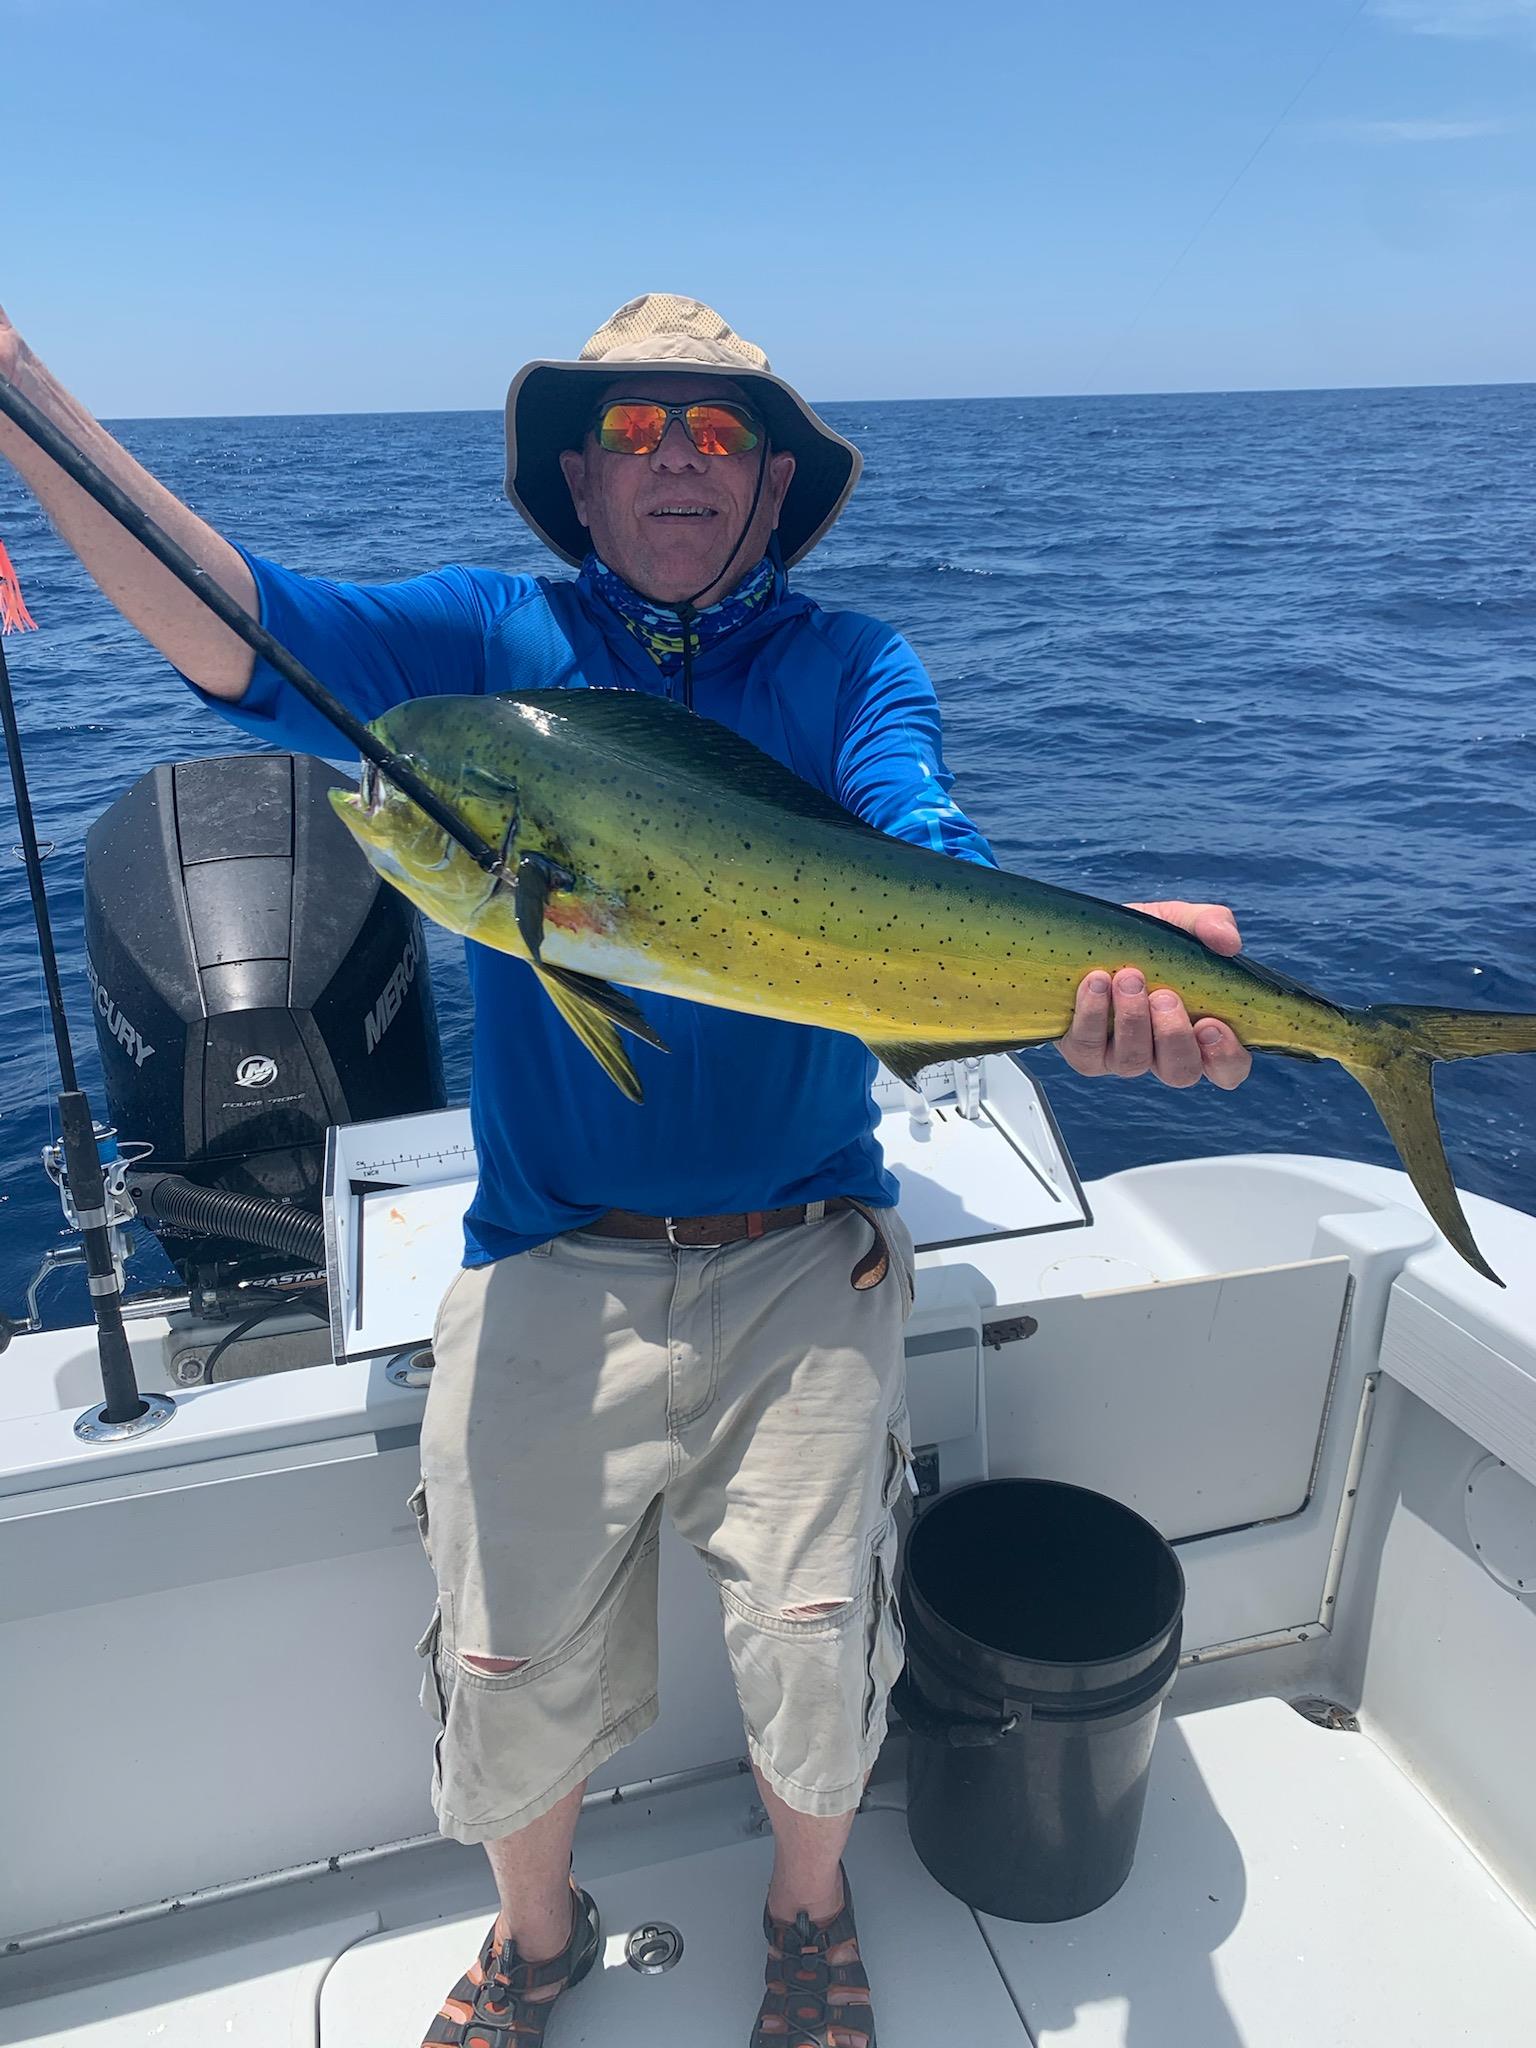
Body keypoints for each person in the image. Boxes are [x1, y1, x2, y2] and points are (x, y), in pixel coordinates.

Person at [0, 292, 1251, 2048]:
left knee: (818, 1652)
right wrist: (19, 388)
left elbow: (922, 844)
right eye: (641, 431)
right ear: (581, 479)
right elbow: (235, 627)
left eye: (720, 434)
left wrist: (1104, 966)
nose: (679, 460)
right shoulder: (480, 648)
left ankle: (807, 1915)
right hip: (547, 1257)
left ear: (772, 487)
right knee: (503, 1670)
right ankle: (535, 1935)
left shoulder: (850, 667)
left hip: (810, 1247)